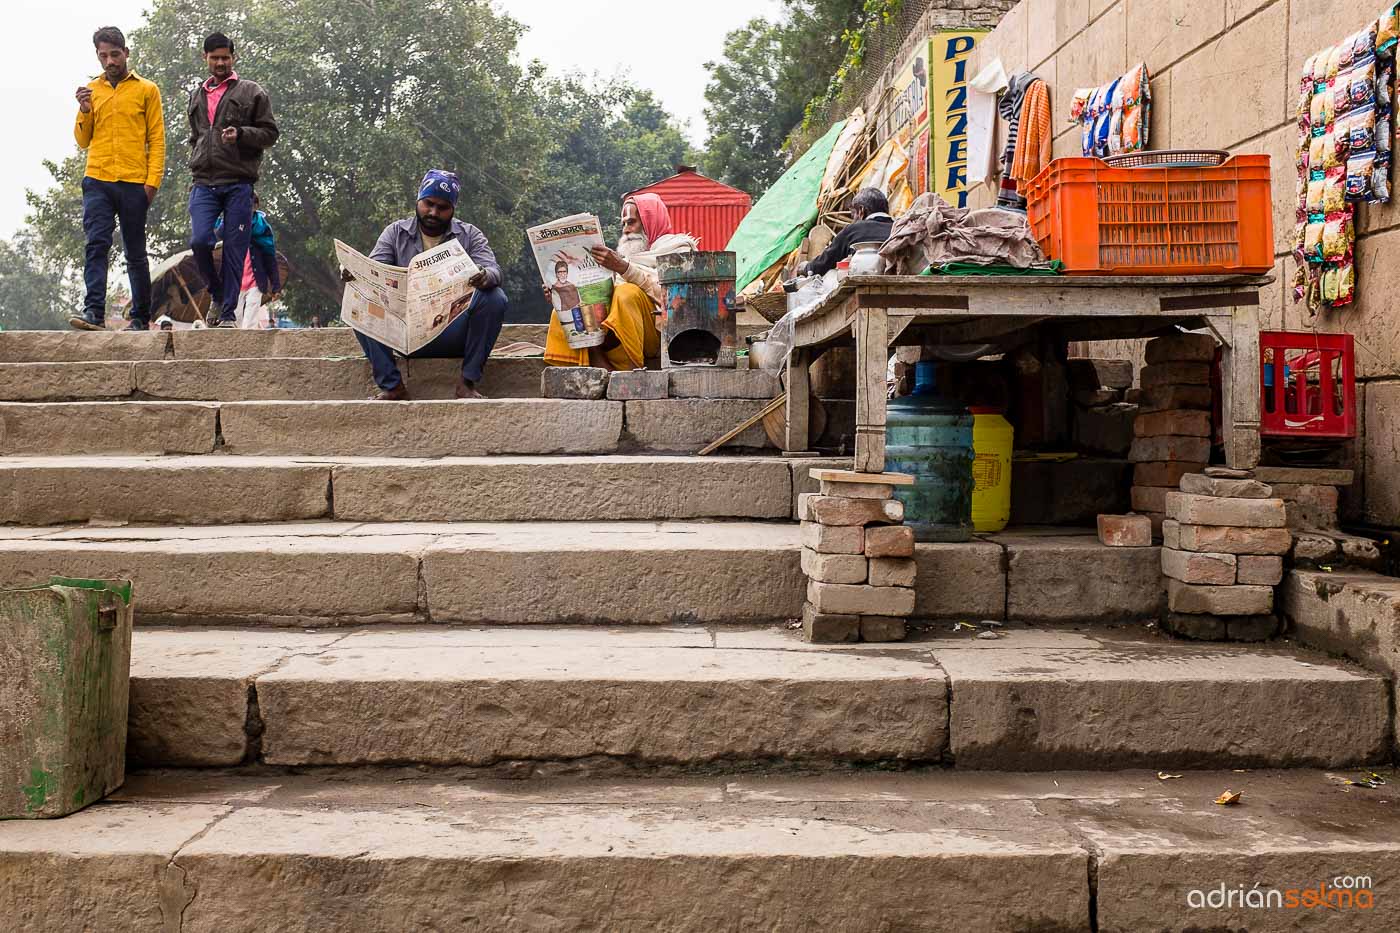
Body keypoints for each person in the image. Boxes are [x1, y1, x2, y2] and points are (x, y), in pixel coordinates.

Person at [346, 170, 508, 400]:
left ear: (453, 209)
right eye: (428, 204)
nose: (433, 212)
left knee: (495, 297)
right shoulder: (395, 232)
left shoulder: (470, 235)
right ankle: (392, 386)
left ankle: (467, 383)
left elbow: (494, 269)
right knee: (360, 298)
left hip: (451, 332)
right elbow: (376, 270)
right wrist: (356, 273)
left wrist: (484, 275)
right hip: (404, 335)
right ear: (418, 200)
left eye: (442, 207)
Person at [69, 26, 165, 332]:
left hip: (135, 182)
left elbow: (157, 140)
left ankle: (140, 317)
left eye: (114, 54)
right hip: (97, 179)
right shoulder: (91, 91)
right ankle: (93, 312)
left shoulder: (147, 90)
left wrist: (152, 183)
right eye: (103, 55)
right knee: (96, 244)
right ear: (98, 56)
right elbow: (82, 140)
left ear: (126, 53)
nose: (109, 61)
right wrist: (85, 110)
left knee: (135, 251)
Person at [543, 193, 697, 371]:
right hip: (614, 330)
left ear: (650, 221)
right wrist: (560, 293)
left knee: (626, 293)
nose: (625, 230)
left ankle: (628, 372)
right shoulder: (626, 257)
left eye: (631, 222)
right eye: (623, 224)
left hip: (659, 332)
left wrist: (624, 267)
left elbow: (674, 298)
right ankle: (589, 363)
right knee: (566, 307)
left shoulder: (679, 248)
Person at [187, 32, 279, 328]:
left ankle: (227, 314)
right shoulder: (197, 95)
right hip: (204, 181)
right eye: (214, 58)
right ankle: (216, 293)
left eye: (225, 57)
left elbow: (270, 133)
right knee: (200, 241)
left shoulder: (251, 92)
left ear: (233, 58)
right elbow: (197, 136)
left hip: (239, 182)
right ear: (206, 59)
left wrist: (241, 134)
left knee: (235, 249)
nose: (220, 63)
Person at [216, 193, 281, 328]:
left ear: (256, 206)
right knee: (235, 319)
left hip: (255, 281)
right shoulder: (233, 221)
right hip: (235, 281)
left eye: (249, 205)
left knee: (250, 320)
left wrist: (276, 286)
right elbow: (220, 234)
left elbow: (270, 258)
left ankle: (249, 347)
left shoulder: (263, 229)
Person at [801, 187, 895, 277]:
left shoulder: (853, 229)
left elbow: (826, 261)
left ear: (861, 210)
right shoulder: (900, 227)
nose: (853, 219)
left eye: (853, 214)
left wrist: (807, 267)